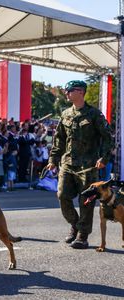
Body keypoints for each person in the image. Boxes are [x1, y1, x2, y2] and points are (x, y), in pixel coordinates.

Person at [47, 80, 113, 249]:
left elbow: (107, 137)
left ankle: (82, 235)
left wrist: (104, 158)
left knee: (86, 201)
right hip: (68, 164)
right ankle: (75, 225)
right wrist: (53, 160)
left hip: (88, 166)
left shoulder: (94, 115)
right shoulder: (65, 113)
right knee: (62, 195)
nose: (67, 93)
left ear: (81, 92)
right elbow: (59, 139)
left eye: (70, 90)